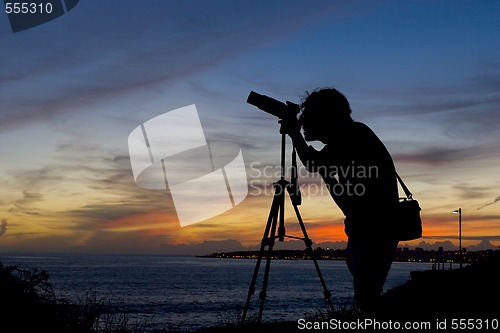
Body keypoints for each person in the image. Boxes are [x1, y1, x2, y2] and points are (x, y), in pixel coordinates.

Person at [281, 87, 399, 314]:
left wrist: (295, 134)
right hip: (369, 228)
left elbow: (314, 164)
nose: (304, 123)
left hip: (375, 229)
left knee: (368, 299)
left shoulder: (353, 136)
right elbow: (322, 168)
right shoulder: (353, 136)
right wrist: (297, 134)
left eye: (309, 117)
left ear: (326, 117)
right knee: (367, 295)